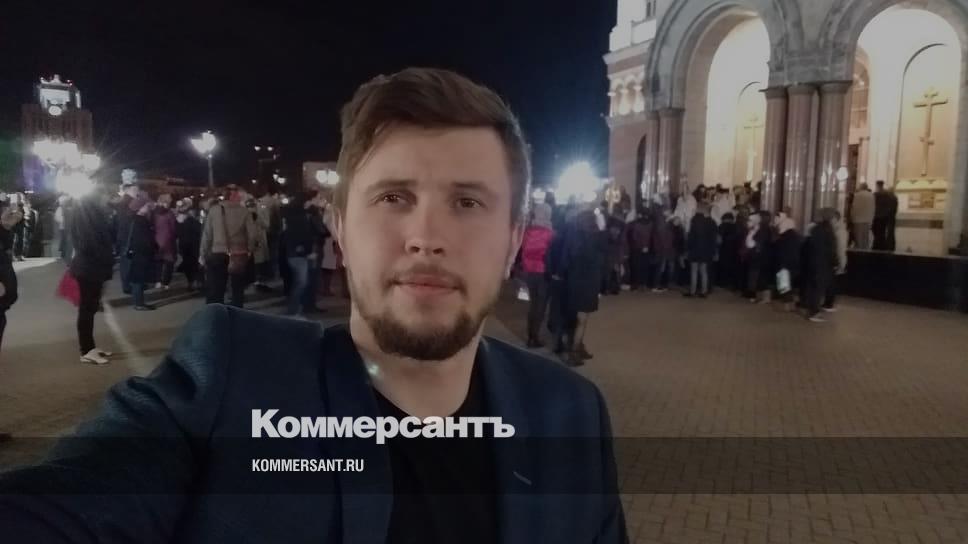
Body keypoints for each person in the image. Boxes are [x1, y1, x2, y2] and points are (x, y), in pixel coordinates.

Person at [0, 67, 626, 543]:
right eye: (393, 198)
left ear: (515, 239)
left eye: (468, 202)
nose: (426, 237)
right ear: (340, 229)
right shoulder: (229, 379)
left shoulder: (569, 412)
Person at [69, 187, 117, 364]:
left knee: (90, 307)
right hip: (89, 267)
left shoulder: (92, 212)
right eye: (106, 196)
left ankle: (90, 346)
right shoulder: (85, 213)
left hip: (92, 266)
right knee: (87, 309)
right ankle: (86, 350)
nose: (107, 200)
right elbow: (87, 242)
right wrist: (104, 256)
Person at [557, 206, 607, 365]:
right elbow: (603, 258)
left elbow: (565, 259)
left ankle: (574, 347)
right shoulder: (597, 238)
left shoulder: (574, 237)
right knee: (583, 318)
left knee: (574, 317)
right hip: (589, 282)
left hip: (574, 280)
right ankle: (575, 350)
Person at [200, 185, 257, 308]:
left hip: (217, 252)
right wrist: (250, 250)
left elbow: (207, 235)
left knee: (216, 288)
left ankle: (216, 312)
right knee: (237, 287)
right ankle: (237, 311)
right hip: (239, 253)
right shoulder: (245, 211)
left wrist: (203, 254)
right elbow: (252, 235)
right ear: (234, 196)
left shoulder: (214, 210)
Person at [520, 202, 554, 348]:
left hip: (528, 272)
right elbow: (552, 255)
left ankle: (530, 336)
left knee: (533, 304)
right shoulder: (550, 233)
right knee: (540, 306)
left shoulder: (527, 231)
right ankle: (534, 337)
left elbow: (523, 250)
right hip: (542, 272)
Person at [281, 194, 316, 316]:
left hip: (293, 253)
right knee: (301, 282)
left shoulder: (291, 218)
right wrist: (306, 251)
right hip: (299, 254)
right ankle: (293, 309)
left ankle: (296, 308)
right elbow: (304, 235)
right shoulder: (300, 219)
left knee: (300, 282)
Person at [802, 208, 839, 322]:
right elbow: (831, 249)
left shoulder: (815, 229)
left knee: (813, 287)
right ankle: (814, 312)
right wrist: (835, 262)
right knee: (818, 288)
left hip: (814, 262)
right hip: (823, 263)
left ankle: (811, 309)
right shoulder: (828, 230)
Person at [126, 198, 158, 311]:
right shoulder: (139, 221)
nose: (147, 207)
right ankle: (139, 303)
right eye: (145, 206)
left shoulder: (137, 219)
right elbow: (143, 239)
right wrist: (151, 247)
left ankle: (139, 302)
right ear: (139, 208)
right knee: (138, 279)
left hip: (139, 253)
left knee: (138, 279)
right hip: (140, 254)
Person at [685, 203, 717, 298]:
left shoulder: (694, 221)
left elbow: (691, 237)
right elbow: (713, 239)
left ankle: (692, 291)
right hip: (706, 251)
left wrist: (687, 248)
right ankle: (704, 291)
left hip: (695, 250)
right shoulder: (711, 222)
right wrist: (713, 251)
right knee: (704, 271)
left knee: (694, 271)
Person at [773, 215, 802, 312]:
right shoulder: (798, 237)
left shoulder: (783, 238)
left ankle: (787, 305)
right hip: (795, 264)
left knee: (784, 286)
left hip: (783, 264)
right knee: (792, 285)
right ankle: (792, 305)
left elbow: (778, 251)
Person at [823, 209, 849, 312]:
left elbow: (840, 248)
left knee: (832, 283)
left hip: (835, 261)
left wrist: (841, 264)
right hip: (833, 260)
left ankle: (828, 304)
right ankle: (827, 303)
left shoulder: (839, 232)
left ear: (835, 219)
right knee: (830, 283)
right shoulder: (835, 230)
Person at [174, 199, 202, 290]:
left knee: (188, 264)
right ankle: (195, 281)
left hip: (184, 245)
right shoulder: (192, 221)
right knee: (194, 263)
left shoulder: (177, 221)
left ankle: (191, 282)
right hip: (193, 245)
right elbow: (199, 231)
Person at [152, 194, 177, 290]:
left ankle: (158, 281)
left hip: (156, 240)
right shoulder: (169, 213)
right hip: (168, 240)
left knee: (158, 262)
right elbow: (173, 228)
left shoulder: (154, 213)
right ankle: (166, 282)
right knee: (169, 263)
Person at [651, 209, 676, 292]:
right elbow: (663, 236)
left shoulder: (666, 223)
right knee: (661, 268)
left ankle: (660, 285)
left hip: (665, 249)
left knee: (663, 268)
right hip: (663, 249)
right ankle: (656, 285)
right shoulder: (662, 223)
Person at [627, 209, 652, 290]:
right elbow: (651, 237)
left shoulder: (636, 224)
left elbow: (634, 237)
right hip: (647, 248)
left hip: (637, 248)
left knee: (636, 266)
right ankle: (644, 283)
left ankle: (635, 284)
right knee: (645, 266)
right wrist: (646, 246)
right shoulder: (651, 224)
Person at [716, 212, 740, 291]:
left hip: (723, 250)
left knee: (723, 267)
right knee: (732, 268)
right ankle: (731, 284)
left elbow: (718, 239)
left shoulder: (721, 226)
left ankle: (722, 283)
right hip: (734, 251)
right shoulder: (736, 227)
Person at [872, 180, 898, 251]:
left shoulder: (876, 195)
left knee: (878, 232)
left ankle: (877, 246)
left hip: (878, 216)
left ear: (877, 186)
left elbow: (874, 206)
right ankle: (884, 246)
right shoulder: (888, 195)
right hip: (885, 217)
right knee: (883, 232)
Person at [851, 182, 875, 250]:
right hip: (867, 219)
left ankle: (859, 251)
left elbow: (855, 207)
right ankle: (865, 250)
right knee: (865, 238)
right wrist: (871, 219)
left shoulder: (857, 195)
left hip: (858, 219)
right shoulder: (871, 195)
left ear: (861, 187)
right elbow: (873, 208)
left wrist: (852, 217)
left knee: (859, 238)